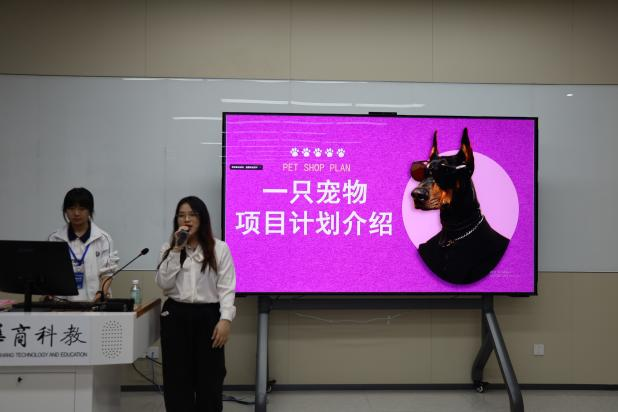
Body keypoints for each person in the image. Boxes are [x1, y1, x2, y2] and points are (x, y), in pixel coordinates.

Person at [156, 195, 236, 412]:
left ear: (202, 219)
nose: (187, 219)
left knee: (210, 377)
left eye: (192, 214)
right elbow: (163, 283)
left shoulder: (219, 248)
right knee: (176, 377)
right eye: (181, 215)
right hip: (176, 315)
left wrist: (226, 320)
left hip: (208, 316)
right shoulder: (169, 248)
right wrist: (176, 250)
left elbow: (227, 288)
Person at [48, 187, 119, 301]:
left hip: (94, 302)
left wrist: (101, 294)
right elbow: (51, 272)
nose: (76, 213)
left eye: (81, 209)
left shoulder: (103, 238)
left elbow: (108, 273)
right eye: (71, 208)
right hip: (61, 303)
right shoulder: (55, 238)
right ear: (65, 210)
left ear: (90, 211)